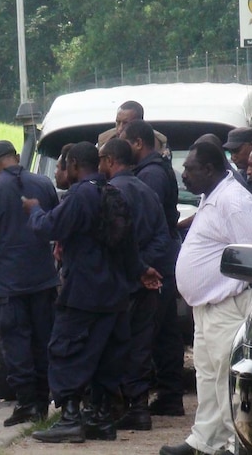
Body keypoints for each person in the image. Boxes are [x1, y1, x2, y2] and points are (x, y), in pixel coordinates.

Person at [22, 141, 160, 444]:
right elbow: (129, 246)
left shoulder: (81, 195)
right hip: (114, 295)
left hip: (84, 293)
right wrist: (141, 271)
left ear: (73, 165)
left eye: (63, 164)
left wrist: (34, 211)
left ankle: (71, 418)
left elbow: (49, 227)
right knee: (105, 355)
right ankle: (99, 418)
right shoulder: (114, 193)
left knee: (65, 350)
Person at [160, 142, 252, 455]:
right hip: (206, 306)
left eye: (189, 169)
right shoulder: (211, 195)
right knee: (207, 375)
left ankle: (231, 443)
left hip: (227, 304)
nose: (183, 175)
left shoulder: (233, 201)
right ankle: (205, 440)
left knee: (225, 376)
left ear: (209, 170)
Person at [0, 140, 59, 427]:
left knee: (15, 341)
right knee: (43, 339)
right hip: (44, 278)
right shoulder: (44, 184)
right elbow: (56, 225)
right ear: (16, 158)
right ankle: (43, 402)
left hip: (8, 282)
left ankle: (27, 403)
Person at [98, 138, 171, 431]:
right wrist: (146, 268)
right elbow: (162, 237)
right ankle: (139, 407)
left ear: (111, 161)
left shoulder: (111, 192)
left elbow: (109, 242)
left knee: (113, 345)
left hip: (118, 283)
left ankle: (115, 407)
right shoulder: (147, 191)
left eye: (102, 159)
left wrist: (135, 268)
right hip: (145, 283)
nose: (99, 165)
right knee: (140, 346)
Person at [120, 120, 185, 417]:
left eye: (123, 136)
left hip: (155, 266)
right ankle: (169, 395)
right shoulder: (153, 170)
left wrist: (141, 265)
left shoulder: (150, 176)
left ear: (137, 143)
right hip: (161, 260)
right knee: (163, 334)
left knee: (149, 336)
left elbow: (147, 225)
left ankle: (147, 401)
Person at [96, 101, 169, 155]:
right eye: (118, 122)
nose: (120, 129)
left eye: (126, 123)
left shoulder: (156, 146)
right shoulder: (105, 142)